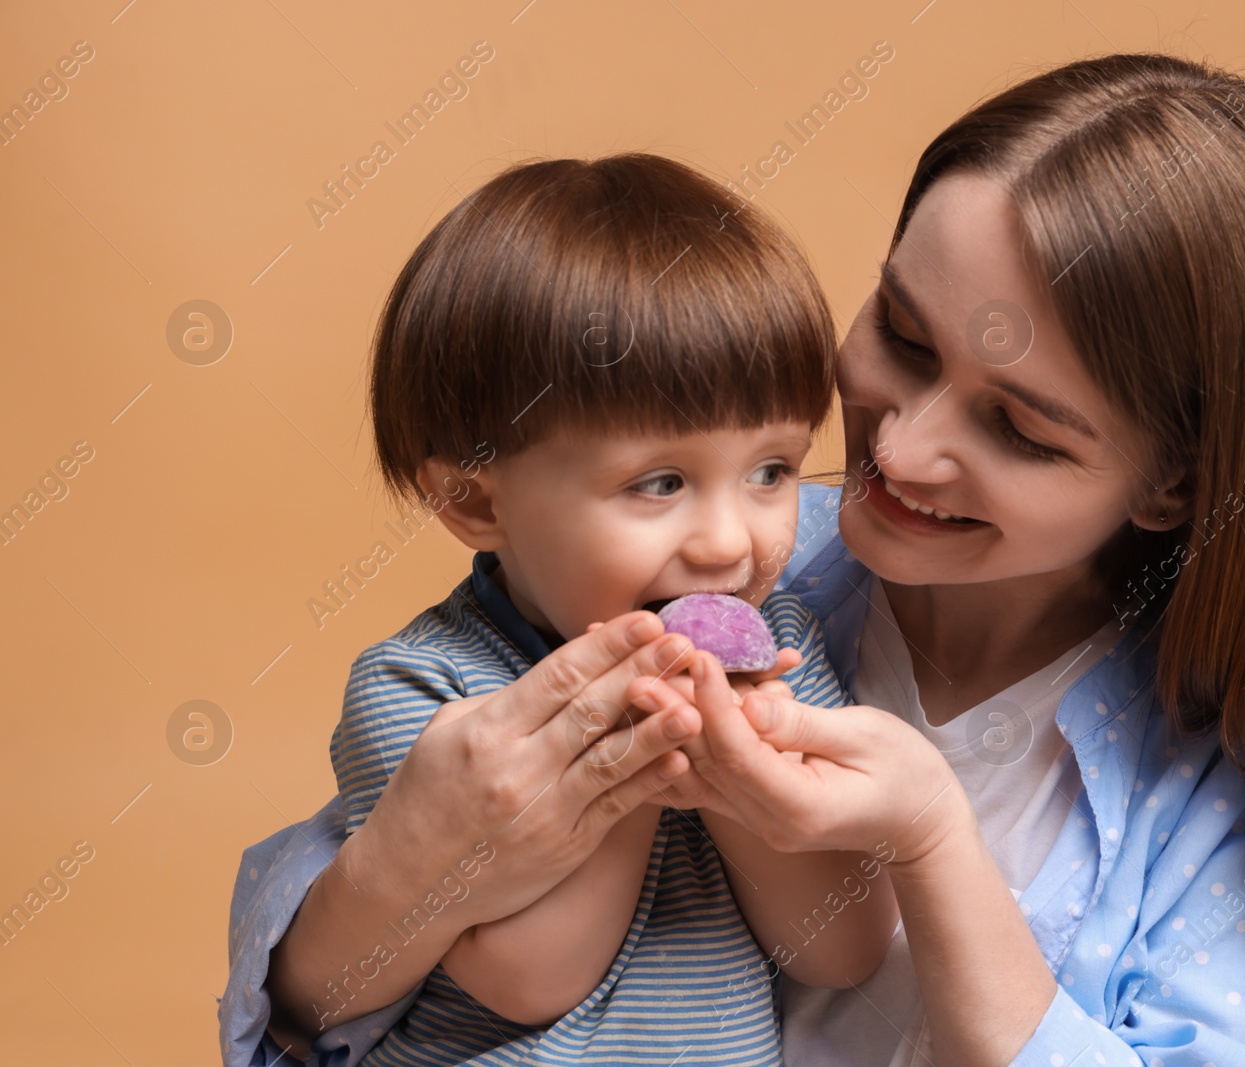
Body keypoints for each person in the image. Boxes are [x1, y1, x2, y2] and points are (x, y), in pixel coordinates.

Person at [220, 52, 1245, 1066]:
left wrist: (931, 836)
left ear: (1173, 484)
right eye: (904, 336)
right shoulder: (736, 575)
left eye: (1019, 427)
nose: (901, 449)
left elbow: (833, 939)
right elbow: (313, 1009)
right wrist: (393, 874)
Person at [224, 153, 900, 1065]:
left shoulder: (785, 650)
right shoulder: (429, 693)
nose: (730, 543)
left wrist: (741, 765)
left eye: (771, 470)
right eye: (660, 482)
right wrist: (638, 749)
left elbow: (839, 946)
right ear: (477, 502)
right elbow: (529, 976)